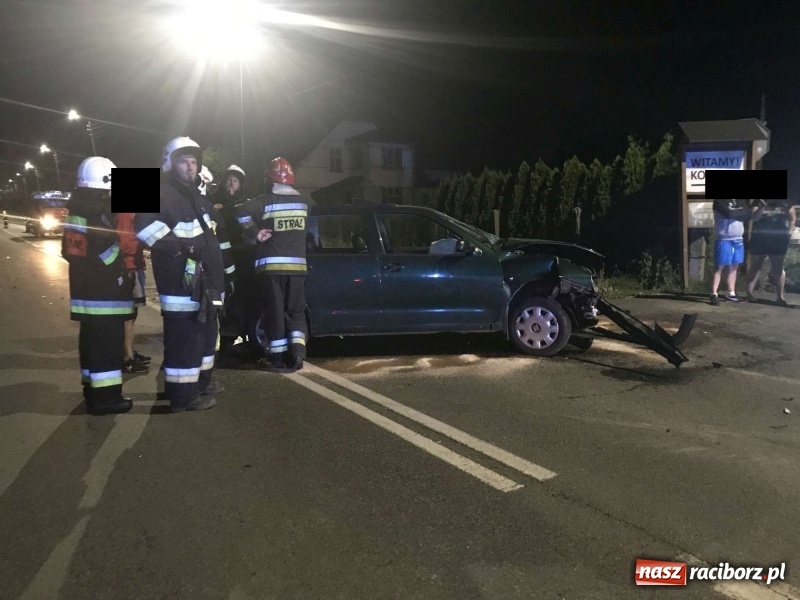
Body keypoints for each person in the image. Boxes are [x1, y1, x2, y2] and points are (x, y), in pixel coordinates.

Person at [134, 137, 226, 412]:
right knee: (185, 341)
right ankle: (182, 396)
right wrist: (180, 245)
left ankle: (200, 383)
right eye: (184, 161)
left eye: (194, 161)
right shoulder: (160, 194)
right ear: (170, 164)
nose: (191, 166)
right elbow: (144, 228)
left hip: (205, 286)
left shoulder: (196, 198)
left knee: (206, 338)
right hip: (181, 287)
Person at [62, 157, 135, 415]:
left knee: (91, 343)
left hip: (88, 293)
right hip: (102, 294)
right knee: (106, 346)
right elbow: (100, 251)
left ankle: (92, 391)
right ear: (105, 182)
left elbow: (72, 251)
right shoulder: (93, 211)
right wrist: (121, 264)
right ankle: (106, 398)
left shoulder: (79, 208)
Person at [236, 157, 308, 372]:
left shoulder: (265, 201)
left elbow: (240, 213)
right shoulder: (304, 203)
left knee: (274, 311)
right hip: (297, 270)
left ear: (269, 179)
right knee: (295, 311)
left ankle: (276, 358)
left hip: (272, 268)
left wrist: (254, 232)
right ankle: (297, 354)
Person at [116, 212, 152, 373]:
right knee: (128, 314)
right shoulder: (125, 214)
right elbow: (123, 242)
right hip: (129, 267)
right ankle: (127, 357)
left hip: (134, 265)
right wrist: (145, 240)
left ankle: (129, 351)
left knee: (132, 314)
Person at [746, 199, 796, 306]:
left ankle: (780, 297)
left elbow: (792, 219)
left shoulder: (786, 202)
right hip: (759, 238)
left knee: (778, 267)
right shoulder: (758, 202)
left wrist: (789, 233)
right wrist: (762, 206)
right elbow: (754, 218)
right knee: (755, 266)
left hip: (778, 239)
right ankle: (749, 294)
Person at [710, 198, 751, 305]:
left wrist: (737, 213)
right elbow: (728, 213)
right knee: (720, 266)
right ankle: (714, 293)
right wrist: (740, 213)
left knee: (734, 266)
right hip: (724, 238)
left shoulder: (740, 201)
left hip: (738, 238)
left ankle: (731, 293)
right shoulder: (719, 201)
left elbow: (748, 214)